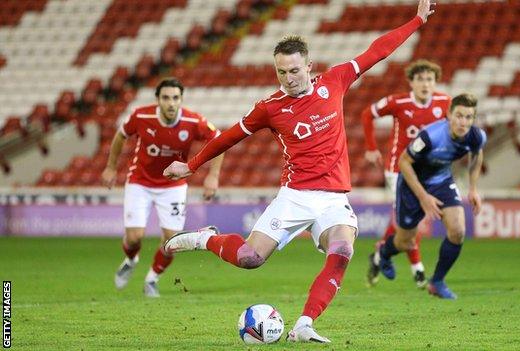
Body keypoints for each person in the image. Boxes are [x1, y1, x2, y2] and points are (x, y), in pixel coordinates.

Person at [162, 0, 435, 343]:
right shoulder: (270, 109)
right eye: (281, 72)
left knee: (343, 251)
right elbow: (229, 137)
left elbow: (377, 51)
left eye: (294, 71)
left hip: (334, 198)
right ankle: (206, 238)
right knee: (249, 258)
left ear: (309, 66)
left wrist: (416, 22)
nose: (288, 79)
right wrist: (191, 166)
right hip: (295, 196)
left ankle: (304, 324)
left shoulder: (335, 80)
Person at [101, 78, 224, 298]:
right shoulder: (141, 116)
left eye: (175, 98)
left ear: (181, 100)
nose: (171, 103)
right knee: (134, 237)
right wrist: (111, 167)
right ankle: (131, 259)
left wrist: (213, 176)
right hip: (140, 181)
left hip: (173, 185)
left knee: (172, 240)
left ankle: (151, 279)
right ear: (158, 99)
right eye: (166, 98)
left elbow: (219, 140)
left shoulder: (193, 120)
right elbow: (121, 136)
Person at [369, 93, 486, 299]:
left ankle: (437, 282)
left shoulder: (476, 136)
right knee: (405, 241)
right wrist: (423, 197)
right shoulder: (430, 136)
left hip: (441, 181)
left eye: (469, 117)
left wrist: (473, 188)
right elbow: (404, 163)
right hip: (412, 184)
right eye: (459, 115)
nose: (463, 122)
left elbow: (477, 155)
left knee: (457, 231)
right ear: (449, 115)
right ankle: (383, 253)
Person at [362, 59, 450, 288]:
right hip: (398, 169)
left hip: (427, 171)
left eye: (429, 79)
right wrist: (371, 148)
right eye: (420, 79)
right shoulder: (397, 102)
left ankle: (381, 254)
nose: (425, 84)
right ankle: (417, 269)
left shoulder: (445, 103)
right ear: (411, 82)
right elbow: (366, 114)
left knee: (409, 222)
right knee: (410, 222)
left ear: (435, 82)